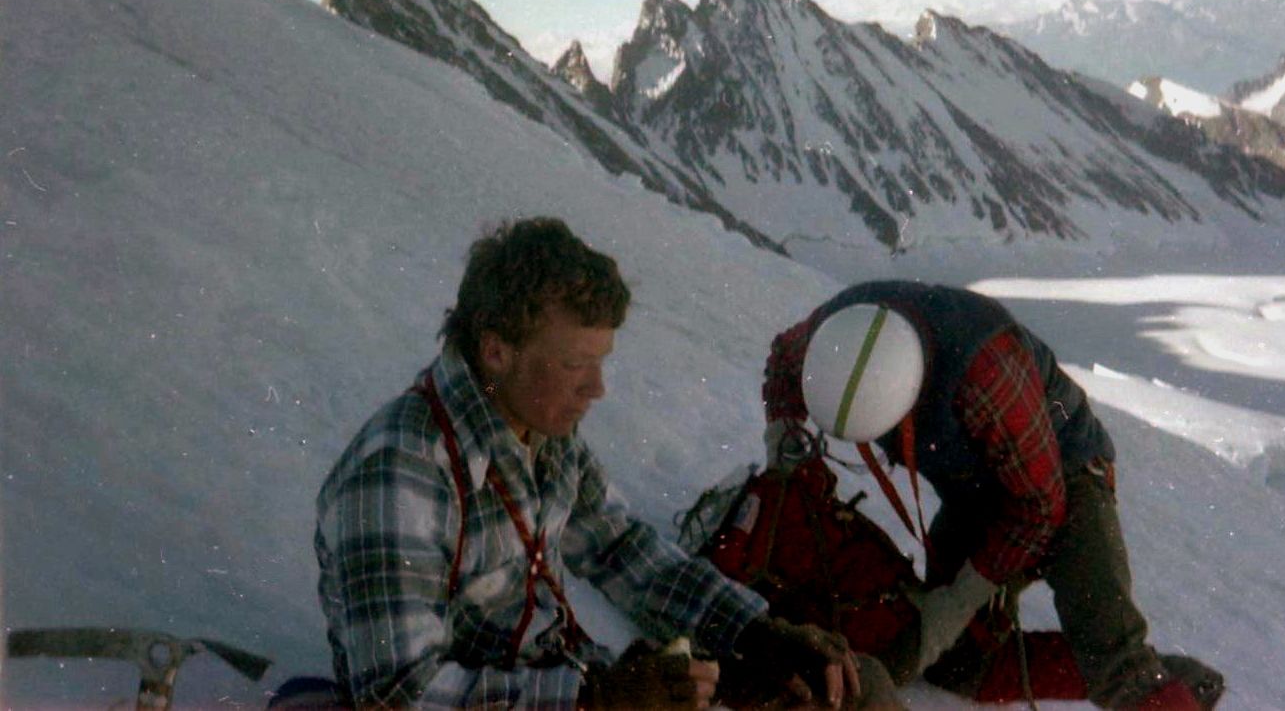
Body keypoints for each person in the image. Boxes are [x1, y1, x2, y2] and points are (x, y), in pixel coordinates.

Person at [313, 217, 895, 709]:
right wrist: (593, 701)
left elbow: (622, 550)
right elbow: (397, 694)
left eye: (601, 362)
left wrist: (754, 629)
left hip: (576, 680)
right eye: (574, 365)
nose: (597, 389)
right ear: (496, 351)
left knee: (855, 688)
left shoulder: (541, 432)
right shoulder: (399, 474)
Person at [760, 280, 1226, 710]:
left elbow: (1040, 509)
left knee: (1110, 650)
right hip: (977, 487)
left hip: (1066, 473)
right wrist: (786, 448)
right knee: (954, 662)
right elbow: (784, 362)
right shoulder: (834, 337)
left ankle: (1151, 684)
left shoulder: (985, 372)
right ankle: (1155, 671)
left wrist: (961, 598)